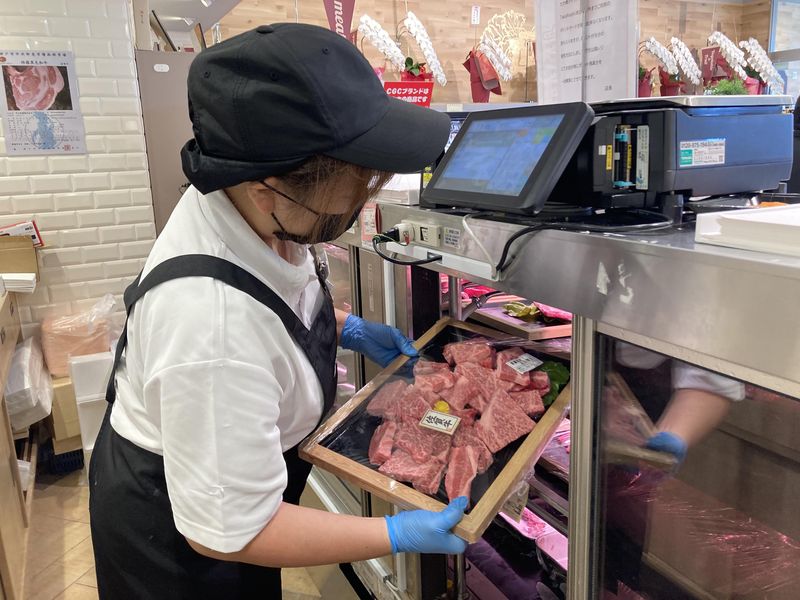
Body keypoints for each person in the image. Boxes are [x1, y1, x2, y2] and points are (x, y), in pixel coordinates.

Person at [89, 23, 467, 599]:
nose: (364, 195)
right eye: (355, 182)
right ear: (266, 187)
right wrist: (395, 533)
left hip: (226, 497)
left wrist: (344, 327)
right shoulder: (209, 325)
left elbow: (272, 300)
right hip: (177, 553)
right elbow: (235, 533)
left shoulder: (253, 210)